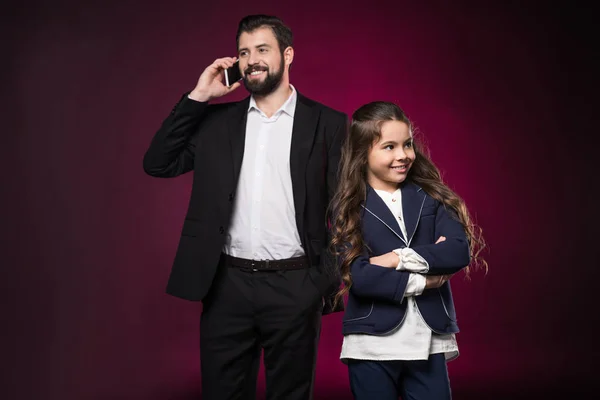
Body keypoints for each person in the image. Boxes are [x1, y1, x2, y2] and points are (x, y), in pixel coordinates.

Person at [142, 14, 347, 400]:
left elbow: (347, 207)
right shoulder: (215, 123)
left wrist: (321, 280)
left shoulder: (328, 124)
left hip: (296, 285)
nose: (252, 60)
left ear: (287, 55)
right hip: (226, 288)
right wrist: (199, 97)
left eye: (262, 50)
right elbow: (157, 162)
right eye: (243, 52)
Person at [329, 101, 487, 399]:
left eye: (407, 144)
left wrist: (396, 258)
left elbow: (457, 251)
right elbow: (359, 277)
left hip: (427, 340)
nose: (403, 155)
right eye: (389, 147)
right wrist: (423, 279)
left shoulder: (431, 196)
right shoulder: (349, 207)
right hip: (371, 342)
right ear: (363, 154)